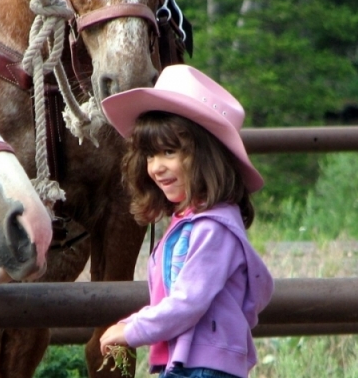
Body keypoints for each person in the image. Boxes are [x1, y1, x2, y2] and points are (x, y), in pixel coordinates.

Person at [98, 64, 274, 378]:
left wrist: (132, 330)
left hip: (203, 368)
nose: (156, 167)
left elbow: (187, 302)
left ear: (207, 155)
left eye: (169, 152)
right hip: (187, 363)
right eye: (150, 155)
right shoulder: (189, 222)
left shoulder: (213, 229)